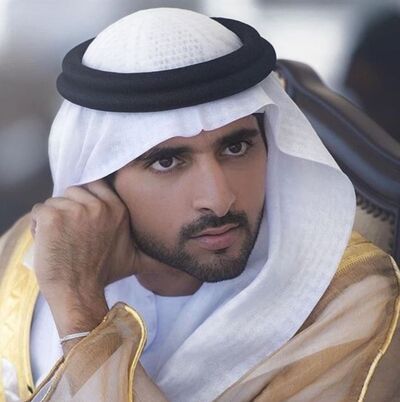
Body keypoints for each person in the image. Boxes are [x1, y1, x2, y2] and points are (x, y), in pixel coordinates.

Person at [0, 8, 398, 402]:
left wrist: (80, 313)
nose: (219, 199)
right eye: (167, 162)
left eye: (236, 147)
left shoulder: (347, 301)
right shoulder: (23, 261)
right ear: (97, 179)